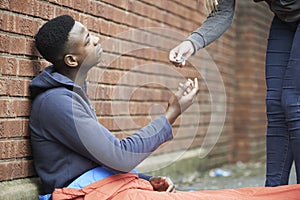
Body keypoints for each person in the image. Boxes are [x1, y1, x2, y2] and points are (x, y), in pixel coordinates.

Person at [29, 14, 198, 199]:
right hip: (79, 194)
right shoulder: (57, 102)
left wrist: (147, 180)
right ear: (71, 60)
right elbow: (120, 156)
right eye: (87, 40)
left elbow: (102, 159)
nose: (96, 39)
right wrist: (171, 113)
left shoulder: (69, 95)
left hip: (101, 188)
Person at [169, 0, 300, 187]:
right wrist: (192, 42)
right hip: (285, 19)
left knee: (293, 100)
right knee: (276, 104)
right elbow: (222, 12)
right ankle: (273, 192)